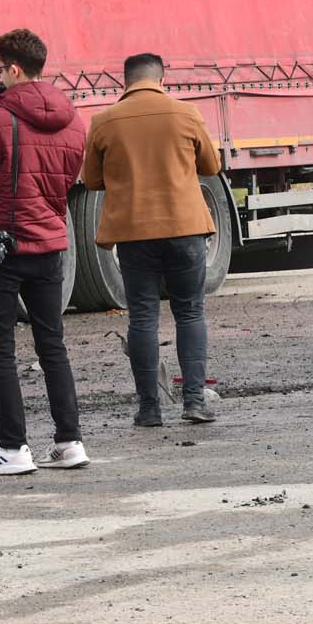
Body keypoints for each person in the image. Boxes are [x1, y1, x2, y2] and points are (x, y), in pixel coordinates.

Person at [0, 29, 89, 475]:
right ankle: (70, 442)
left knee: (1, 350)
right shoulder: (74, 122)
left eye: (1, 69)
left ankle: (13, 449)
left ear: (14, 68)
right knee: (53, 345)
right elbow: (66, 181)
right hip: (50, 245)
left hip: (2, 247)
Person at [80, 53, 223, 426]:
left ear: (124, 82)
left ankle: (149, 410)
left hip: (134, 233)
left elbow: (92, 180)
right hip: (185, 229)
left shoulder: (104, 121)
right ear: (163, 79)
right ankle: (194, 401)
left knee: (143, 317)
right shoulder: (186, 114)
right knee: (190, 312)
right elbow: (211, 167)